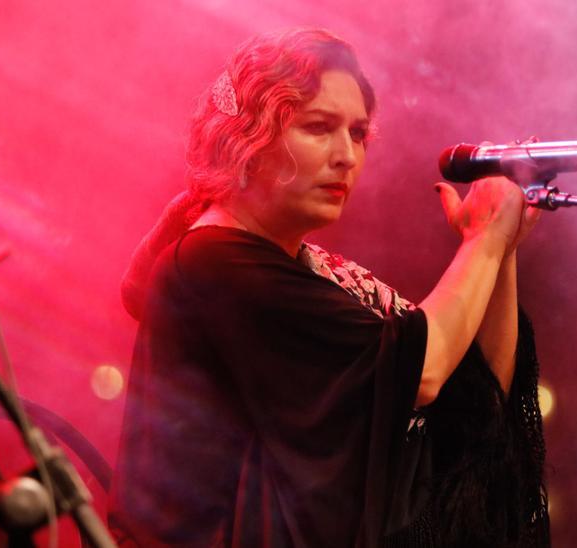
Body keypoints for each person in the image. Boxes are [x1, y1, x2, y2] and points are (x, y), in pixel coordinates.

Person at [110, 29, 548, 547]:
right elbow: (425, 372)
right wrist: (482, 241)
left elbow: (479, 395)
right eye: (319, 127)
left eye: (358, 133)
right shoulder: (216, 264)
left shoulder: (304, 269)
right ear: (246, 141)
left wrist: (502, 247)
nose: (347, 156)